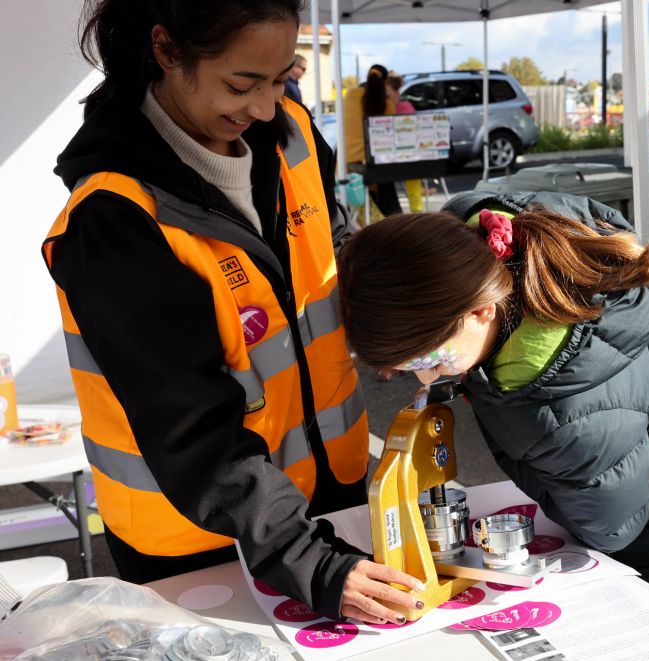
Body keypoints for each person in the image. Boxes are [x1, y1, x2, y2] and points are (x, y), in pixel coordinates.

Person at [42, 0, 424, 626]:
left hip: (330, 496)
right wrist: (312, 561)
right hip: (199, 543)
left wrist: (398, 317)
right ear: (166, 51)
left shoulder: (293, 134)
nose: (266, 108)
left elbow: (325, 257)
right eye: (241, 84)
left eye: (281, 78)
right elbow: (191, 430)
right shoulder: (115, 220)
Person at [337, 191, 649, 661]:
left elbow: (610, 525)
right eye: (404, 369)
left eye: (428, 358)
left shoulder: (559, 412)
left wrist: (506, 419)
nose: (424, 377)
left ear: (481, 310)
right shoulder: (493, 239)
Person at [342, 64, 401, 217]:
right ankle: (394, 222)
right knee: (387, 191)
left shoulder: (350, 95)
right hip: (376, 165)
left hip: (350, 164)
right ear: (385, 82)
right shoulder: (387, 104)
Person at [386, 73, 424, 213]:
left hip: (408, 155)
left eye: (387, 92)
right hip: (388, 157)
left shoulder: (406, 108)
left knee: (413, 179)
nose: (385, 96)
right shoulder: (384, 108)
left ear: (396, 92)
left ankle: (417, 212)